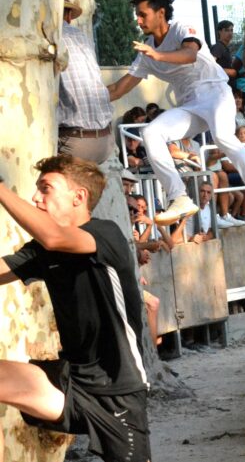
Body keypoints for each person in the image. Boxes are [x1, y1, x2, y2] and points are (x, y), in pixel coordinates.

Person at [0, 155, 151, 462]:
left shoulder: (106, 234)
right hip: (69, 380)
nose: (35, 198)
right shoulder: (42, 251)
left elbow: (54, 237)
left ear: (79, 197)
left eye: (46, 188)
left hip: (118, 392)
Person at [108, 0, 245, 226]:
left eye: (142, 14)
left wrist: (158, 56)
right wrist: (88, 97)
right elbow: (119, 89)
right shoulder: (146, 51)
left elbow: (189, 54)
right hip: (190, 106)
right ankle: (179, 197)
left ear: (160, 13)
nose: (138, 21)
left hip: (216, 94)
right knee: (151, 133)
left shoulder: (181, 29)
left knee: (222, 136)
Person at [57, 0, 115, 165]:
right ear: (68, 16)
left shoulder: (47, 34)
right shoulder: (82, 36)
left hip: (74, 141)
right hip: (105, 139)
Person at [209, 20, 237, 87]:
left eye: (231, 30)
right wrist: (230, 72)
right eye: (227, 30)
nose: (230, 33)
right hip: (221, 88)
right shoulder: (218, 47)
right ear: (219, 32)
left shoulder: (224, 47)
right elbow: (209, 67)